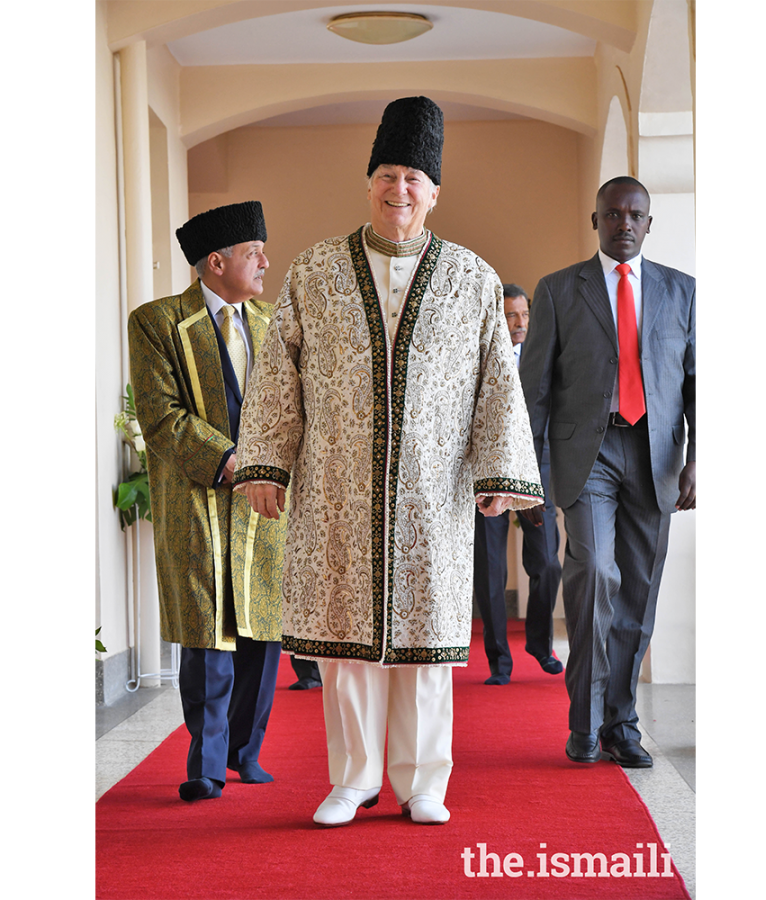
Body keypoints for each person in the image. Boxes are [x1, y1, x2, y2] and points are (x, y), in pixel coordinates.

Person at [234, 97, 542, 827]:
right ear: (368, 181)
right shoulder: (313, 273)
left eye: (413, 178)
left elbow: (498, 381)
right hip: (337, 492)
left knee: (428, 652)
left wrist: (498, 474)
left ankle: (423, 784)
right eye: (388, 175)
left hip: (432, 498)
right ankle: (353, 779)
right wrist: (266, 466)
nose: (399, 190)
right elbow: (277, 377)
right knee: (346, 655)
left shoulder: (473, 280)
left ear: (435, 192)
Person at [519, 176, 703, 769]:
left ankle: (621, 723)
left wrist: (699, 459)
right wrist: (532, 481)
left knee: (638, 595)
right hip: (586, 458)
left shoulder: (683, 292)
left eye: (635, 215)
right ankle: (584, 721)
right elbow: (536, 394)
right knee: (595, 574)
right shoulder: (557, 291)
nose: (624, 223)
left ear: (649, 223)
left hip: (655, 457)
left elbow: (701, 386)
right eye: (613, 214)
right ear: (595, 220)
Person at [127, 201, 289, 802]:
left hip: (267, 499)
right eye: (255, 254)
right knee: (207, 631)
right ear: (216, 262)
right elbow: (161, 416)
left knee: (262, 630)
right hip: (198, 496)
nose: (266, 262)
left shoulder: (276, 322)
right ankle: (206, 762)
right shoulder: (157, 322)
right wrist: (234, 463)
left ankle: (247, 753)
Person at [472, 284, 565, 685]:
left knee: (546, 561)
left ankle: (540, 644)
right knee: (491, 569)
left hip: (536, 475)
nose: (520, 323)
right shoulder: (480, 355)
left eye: (525, 315)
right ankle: (499, 663)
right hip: (489, 473)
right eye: (511, 315)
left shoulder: (545, 357)